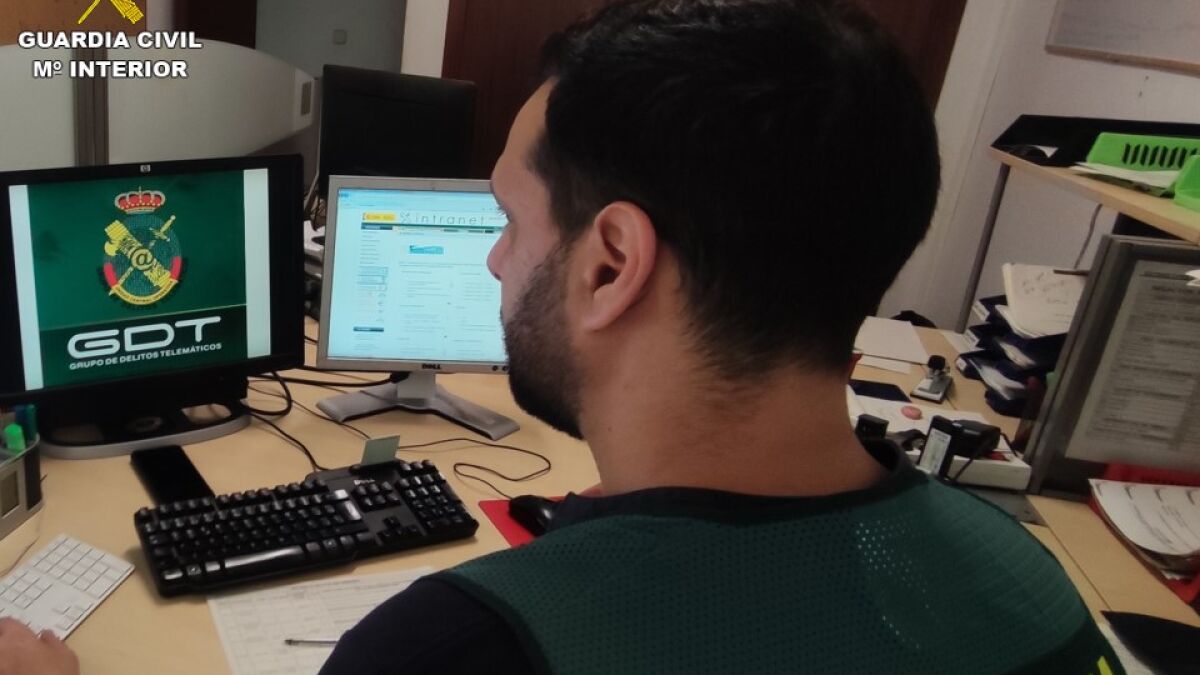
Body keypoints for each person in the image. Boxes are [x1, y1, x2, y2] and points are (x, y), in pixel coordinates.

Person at [0, 1, 1123, 673]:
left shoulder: (461, 647)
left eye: (510, 219)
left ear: (612, 262)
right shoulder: (1030, 587)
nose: (495, 260)